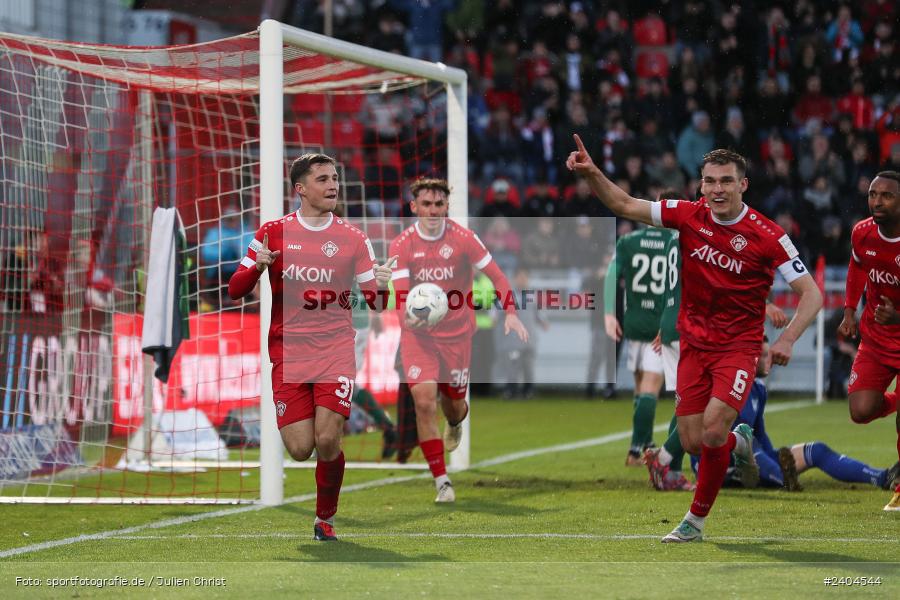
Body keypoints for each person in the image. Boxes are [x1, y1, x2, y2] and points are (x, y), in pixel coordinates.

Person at [567, 137, 823, 542]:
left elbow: (812, 294)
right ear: (699, 185)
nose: (716, 189)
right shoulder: (687, 215)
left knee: (712, 430)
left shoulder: (768, 235)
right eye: (709, 181)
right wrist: (592, 172)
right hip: (693, 345)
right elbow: (623, 205)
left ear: (743, 186)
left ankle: (695, 521)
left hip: (738, 347)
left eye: (725, 181)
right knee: (691, 441)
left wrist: (787, 340)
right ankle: (741, 443)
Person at [228, 153, 395, 541]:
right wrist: (257, 266)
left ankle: (325, 519)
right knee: (301, 448)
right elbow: (235, 289)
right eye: (322, 179)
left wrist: (382, 284)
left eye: (335, 178)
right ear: (300, 188)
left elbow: (376, 303)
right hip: (288, 353)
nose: (332, 185)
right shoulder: (272, 232)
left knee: (326, 438)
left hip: (335, 349)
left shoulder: (354, 238)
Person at [389, 178, 528, 503]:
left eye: (438, 204)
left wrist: (510, 312)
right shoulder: (402, 244)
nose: (433, 211)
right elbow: (400, 296)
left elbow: (497, 276)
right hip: (419, 337)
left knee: (453, 406)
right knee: (423, 402)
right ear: (415, 207)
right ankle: (442, 481)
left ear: (446, 206)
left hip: (456, 337)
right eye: (426, 204)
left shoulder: (464, 239)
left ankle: (455, 421)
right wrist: (406, 320)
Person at [678, 336, 900, 492]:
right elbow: (696, 427)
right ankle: (783, 480)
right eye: (763, 355)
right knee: (754, 449)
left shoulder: (758, 389)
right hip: (725, 464)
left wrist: (776, 457)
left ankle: (882, 476)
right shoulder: (728, 386)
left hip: (756, 456)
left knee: (817, 450)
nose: (769, 360)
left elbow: (760, 436)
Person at [837, 171, 900, 511]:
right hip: (876, 338)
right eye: (873, 194)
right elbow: (857, 266)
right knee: (860, 411)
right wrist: (849, 310)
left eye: (886, 195)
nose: (877, 201)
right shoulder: (862, 232)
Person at [603, 205, 674, 466]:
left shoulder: (629, 241)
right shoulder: (675, 242)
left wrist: (609, 313)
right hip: (659, 326)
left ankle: (642, 443)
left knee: (639, 387)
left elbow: (612, 274)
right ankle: (636, 449)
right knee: (650, 389)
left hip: (633, 324)